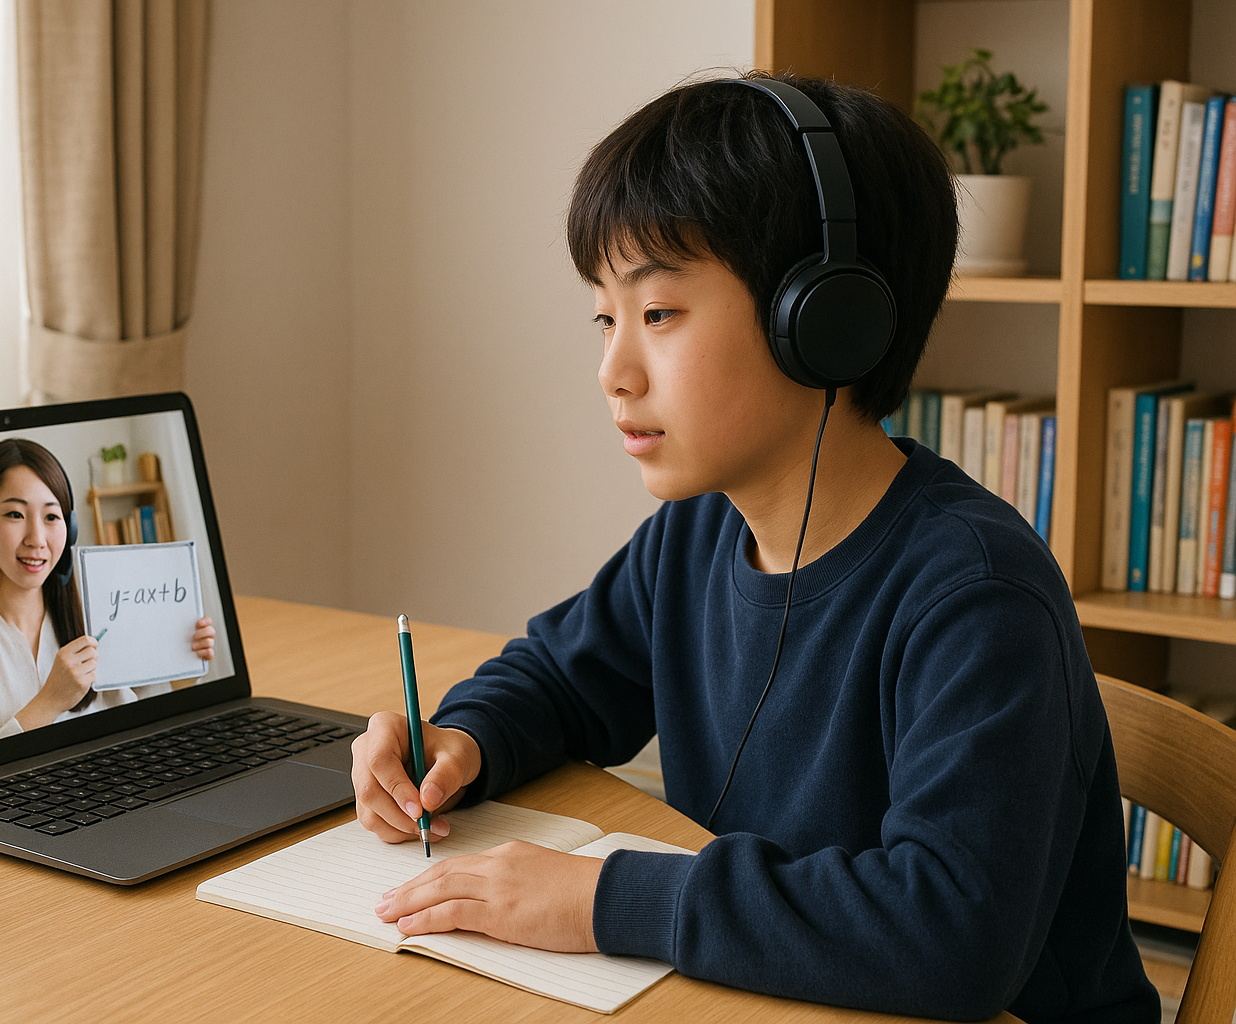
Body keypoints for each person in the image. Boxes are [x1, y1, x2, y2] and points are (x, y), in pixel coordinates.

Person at [349, 72, 1159, 1022]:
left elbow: (953, 934)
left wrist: (605, 899)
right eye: (604, 318)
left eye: (657, 315)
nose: (613, 370)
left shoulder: (973, 595)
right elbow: (563, 678)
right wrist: (464, 739)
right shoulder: (697, 537)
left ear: (821, 321)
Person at [0, 438, 215, 757]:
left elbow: (151, 719)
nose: (36, 539)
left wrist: (181, 670)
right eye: (15, 515)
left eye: (51, 517)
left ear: (69, 527)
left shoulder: (103, 613)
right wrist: (49, 702)